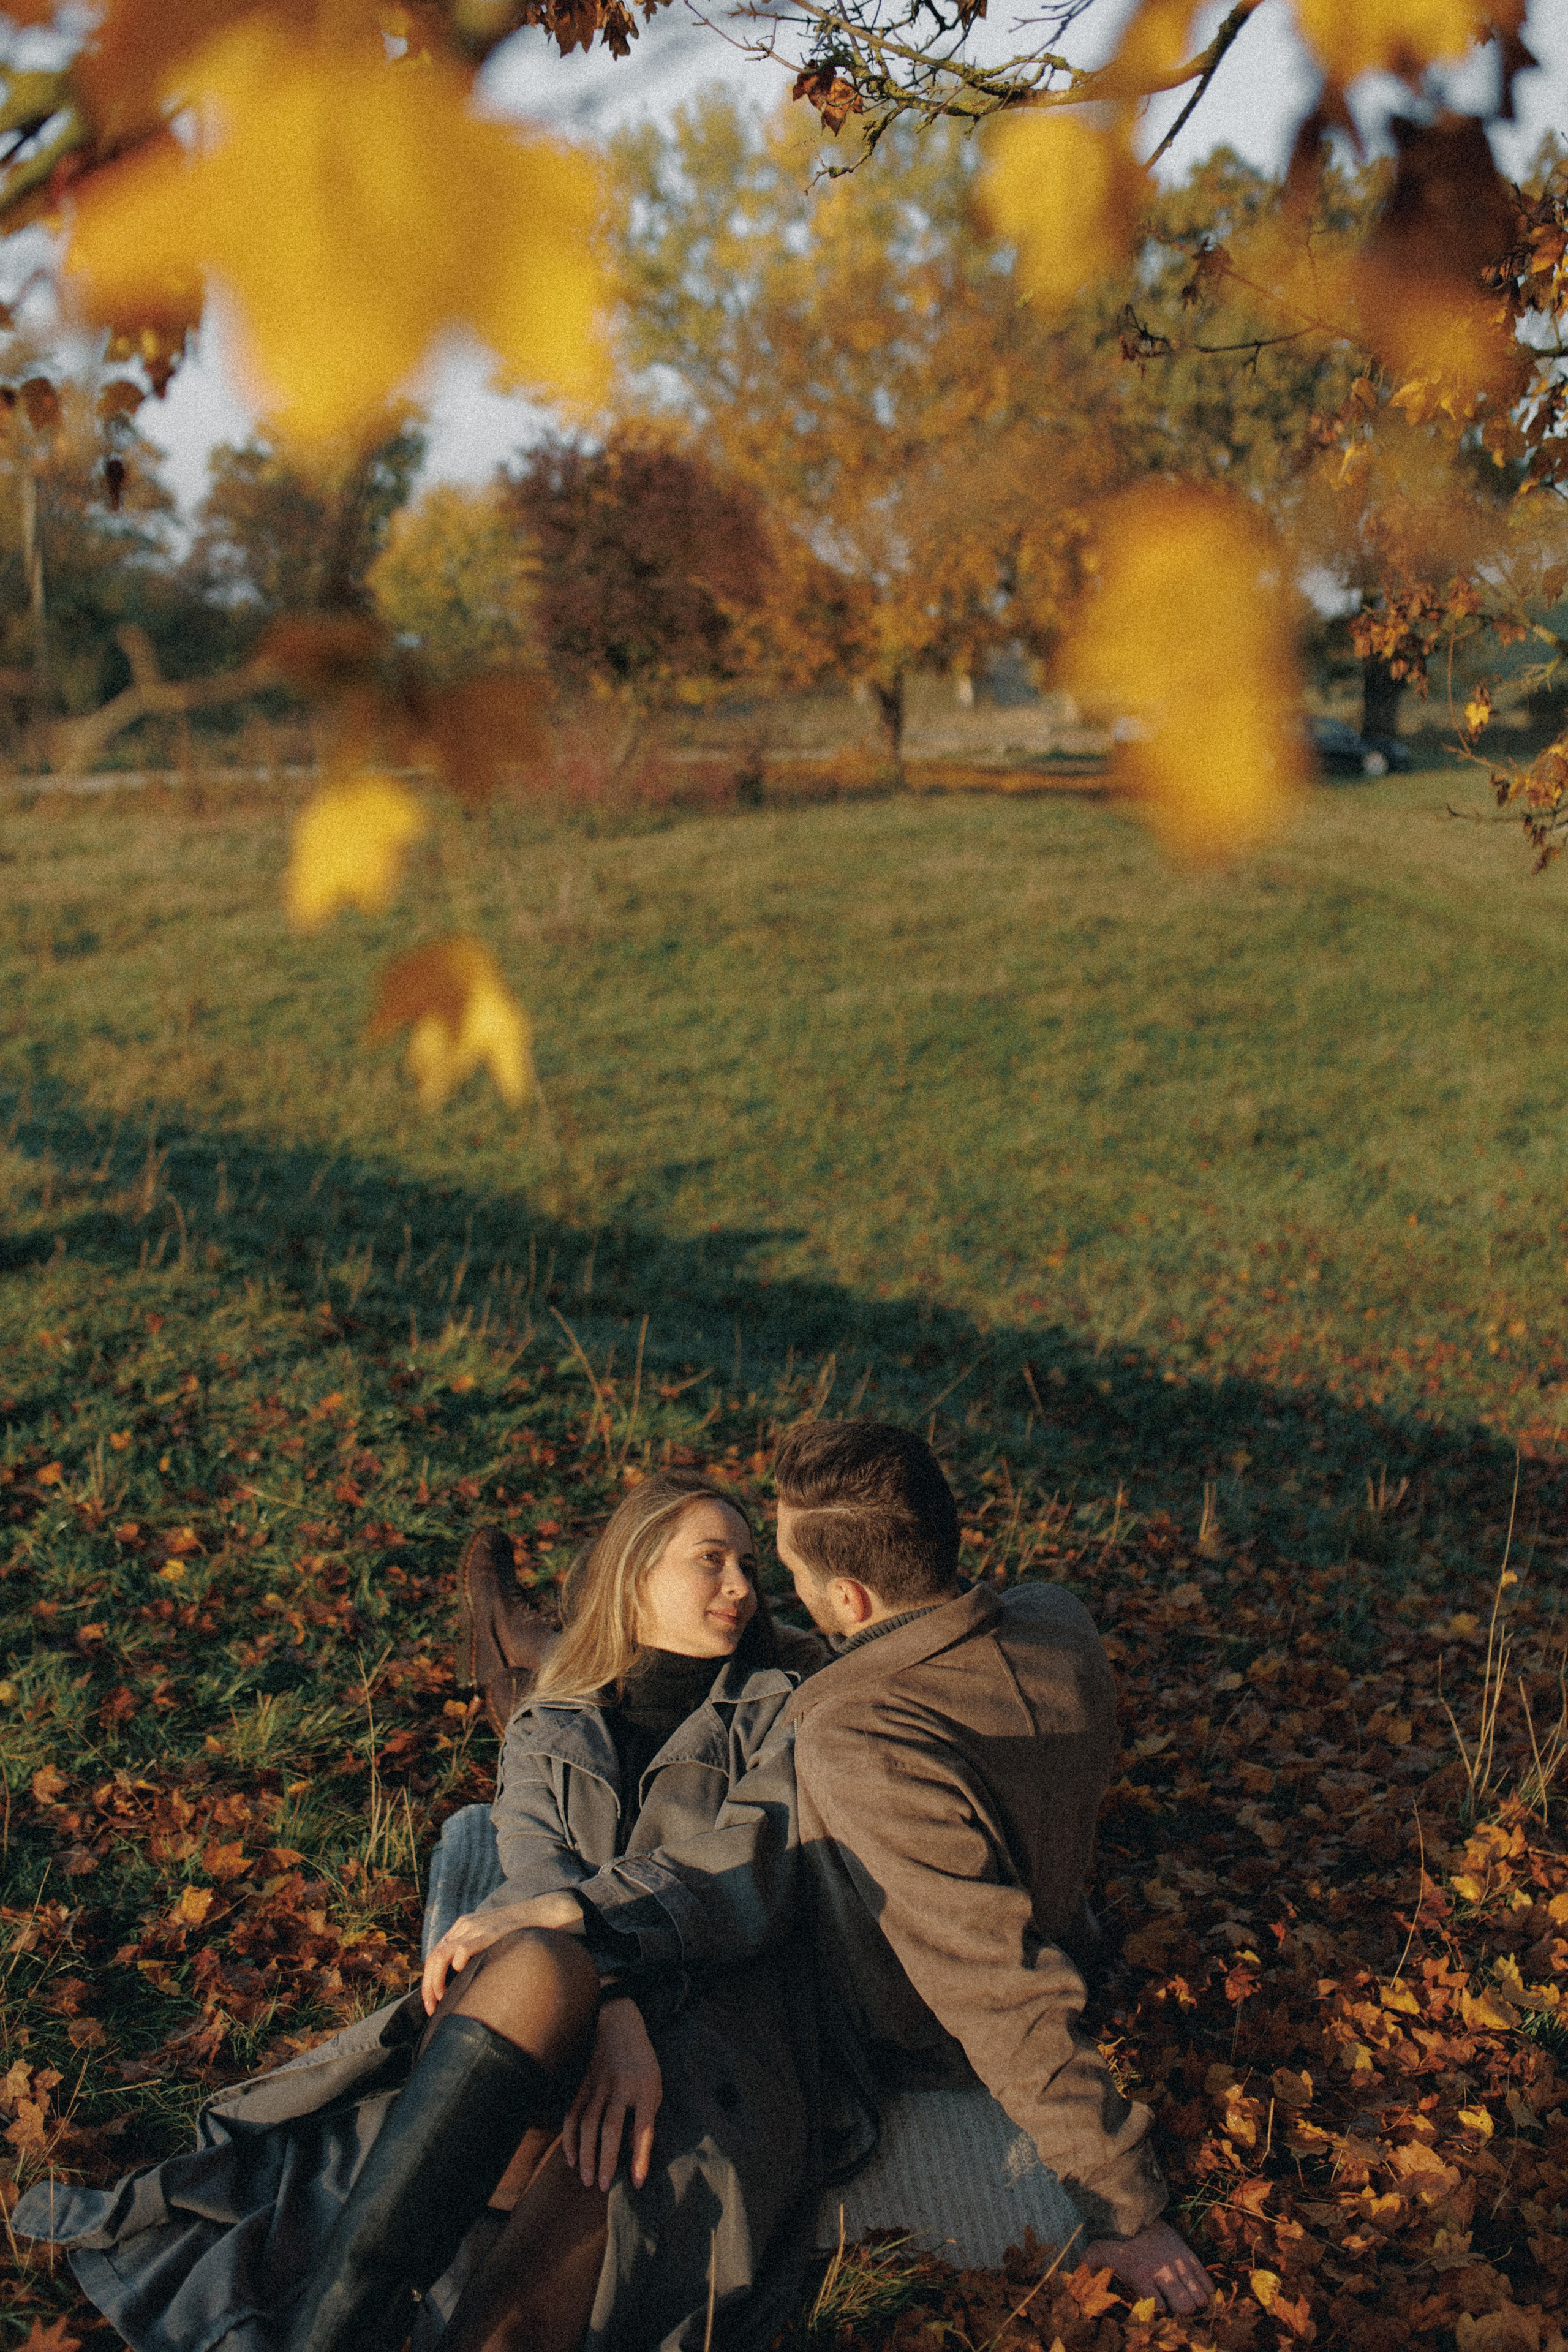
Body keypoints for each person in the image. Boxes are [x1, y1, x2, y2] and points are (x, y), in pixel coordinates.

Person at [14, 1472, 827, 2352]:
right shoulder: (551, 1719)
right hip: (569, 2016)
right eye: (712, 1561)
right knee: (540, 1966)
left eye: (750, 1565)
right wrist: (616, 2000)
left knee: (593, 2194)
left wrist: (607, 1962)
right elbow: (531, 1868)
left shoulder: (783, 1709)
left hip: (707, 2028)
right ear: (631, 1574)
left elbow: (748, 1868)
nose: (743, 1587)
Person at [535, 1423, 1214, 2320]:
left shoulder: (855, 1738)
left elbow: (994, 1981)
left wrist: (1121, 2201)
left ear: (848, 1596)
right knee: (605, 1704)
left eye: (788, 1571)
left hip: (902, 2024)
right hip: (1029, 1888)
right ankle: (537, 1649)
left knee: (664, 1797)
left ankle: (537, 1657)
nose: (767, 1589)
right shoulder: (1057, 1618)